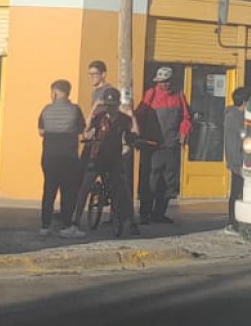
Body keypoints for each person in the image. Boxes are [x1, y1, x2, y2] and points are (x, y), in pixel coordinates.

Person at [80, 86, 138, 238]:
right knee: (85, 186)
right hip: (98, 157)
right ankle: (75, 220)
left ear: (118, 104)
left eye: (113, 106)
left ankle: (132, 222)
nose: (110, 109)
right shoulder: (99, 118)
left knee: (124, 188)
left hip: (114, 158)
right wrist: (94, 109)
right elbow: (85, 131)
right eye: (107, 105)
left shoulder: (124, 119)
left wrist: (132, 117)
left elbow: (134, 134)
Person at [139, 67, 189, 224]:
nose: (164, 85)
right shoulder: (150, 94)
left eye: (167, 81)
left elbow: (186, 117)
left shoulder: (179, 96)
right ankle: (145, 214)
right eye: (161, 82)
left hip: (171, 146)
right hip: (152, 146)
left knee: (169, 182)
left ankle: (159, 213)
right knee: (151, 180)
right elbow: (139, 114)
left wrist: (183, 133)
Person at [38, 79, 87, 238]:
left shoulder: (46, 110)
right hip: (69, 158)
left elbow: (41, 131)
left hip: (49, 157)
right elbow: (82, 130)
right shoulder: (75, 110)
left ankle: (45, 225)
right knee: (68, 193)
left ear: (55, 92)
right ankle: (67, 226)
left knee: (49, 191)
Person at [222, 85, 249, 230]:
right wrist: (238, 163)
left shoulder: (235, 116)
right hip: (237, 161)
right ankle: (233, 222)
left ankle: (237, 221)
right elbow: (237, 141)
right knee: (236, 192)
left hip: (238, 160)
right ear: (244, 102)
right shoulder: (235, 118)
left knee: (238, 191)